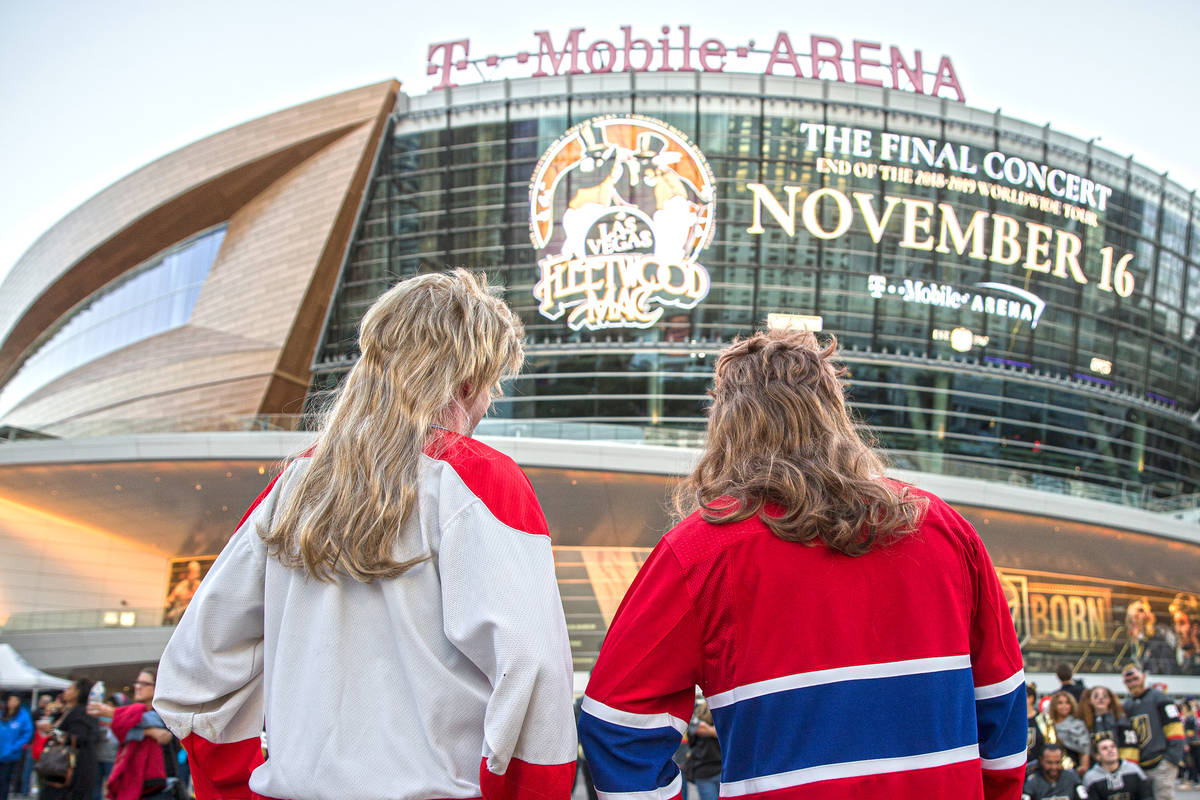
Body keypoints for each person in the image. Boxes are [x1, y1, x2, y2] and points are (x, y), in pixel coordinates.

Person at [153, 270, 576, 800]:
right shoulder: (479, 476)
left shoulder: (293, 485)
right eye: (490, 384)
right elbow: (535, 673)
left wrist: (237, 788)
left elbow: (196, 670)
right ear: (467, 380)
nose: (487, 402)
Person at [577, 330, 1027, 800]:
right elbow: (1002, 707)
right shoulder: (944, 529)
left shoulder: (698, 553)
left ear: (726, 424)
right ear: (835, 414)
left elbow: (617, 725)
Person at [87, 668, 179, 800]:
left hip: (162, 786)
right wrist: (149, 732)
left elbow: (148, 720)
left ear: (157, 687)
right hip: (137, 784)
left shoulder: (164, 712)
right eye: (137, 683)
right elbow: (114, 737)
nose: (137, 687)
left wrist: (114, 713)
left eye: (144, 684)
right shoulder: (132, 712)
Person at [1121, 664, 1186, 800]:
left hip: (1161, 764)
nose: (1132, 683)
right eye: (1128, 681)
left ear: (1143, 677)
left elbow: (1175, 728)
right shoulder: (1127, 706)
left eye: (1135, 678)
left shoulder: (1160, 698)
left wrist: (1171, 759)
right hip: (1139, 767)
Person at [38, 678, 99, 800]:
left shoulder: (81, 712)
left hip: (71, 773)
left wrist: (50, 731)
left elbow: (76, 739)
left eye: (70, 688)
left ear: (78, 692)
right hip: (65, 771)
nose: (65, 691)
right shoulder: (71, 710)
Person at [1081, 736, 1153, 800]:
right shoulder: (1090, 778)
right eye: (1105, 748)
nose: (1110, 750)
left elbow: (1147, 796)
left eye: (1113, 746)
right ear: (1097, 756)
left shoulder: (1134, 770)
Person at [1079, 686, 1138, 763]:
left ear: (1109, 700)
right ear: (1090, 700)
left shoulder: (1120, 719)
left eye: (1105, 696)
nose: (1101, 698)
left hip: (1119, 766)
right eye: (1096, 696)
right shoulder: (1085, 723)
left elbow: (1130, 746)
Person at [1039, 691, 1090, 775]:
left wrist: (1083, 769)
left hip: (1073, 767)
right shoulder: (1048, 725)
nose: (1064, 706)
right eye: (1060, 703)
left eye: (1067, 703)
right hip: (1049, 769)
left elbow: (1085, 750)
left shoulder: (1078, 725)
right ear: (1054, 705)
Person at [682, 701, 721, 800]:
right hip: (704, 771)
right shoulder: (695, 713)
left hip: (715, 769)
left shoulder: (718, 716)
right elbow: (700, 728)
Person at [0, 694, 33, 800]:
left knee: (4, 780)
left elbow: (27, 733)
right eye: (11, 700)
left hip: (10, 754)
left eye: (15, 700)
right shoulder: (2, 713)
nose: (12, 703)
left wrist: (14, 747)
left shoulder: (23, 716)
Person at [162, 560, 202, 624]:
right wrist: (167, 604)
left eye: (195, 572)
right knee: (169, 616)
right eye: (191, 571)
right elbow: (171, 598)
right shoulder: (182, 585)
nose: (193, 574)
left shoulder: (199, 586)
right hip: (179, 611)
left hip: (193, 613)